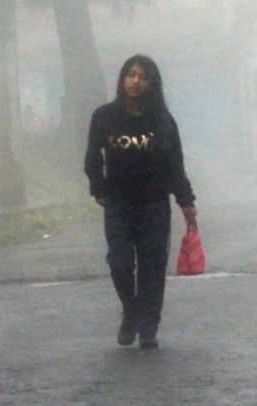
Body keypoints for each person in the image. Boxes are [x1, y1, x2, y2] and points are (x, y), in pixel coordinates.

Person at [84, 54, 197, 350]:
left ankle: (148, 327)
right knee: (119, 263)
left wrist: (186, 201)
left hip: (154, 205)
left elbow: (175, 165)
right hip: (118, 205)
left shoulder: (162, 121)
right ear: (122, 79)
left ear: (151, 84)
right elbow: (93, 156)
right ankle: (131, 310)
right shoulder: (104, 116)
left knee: (152, 267)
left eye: (142, 77)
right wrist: (98, 187)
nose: (135, 81)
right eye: (131, 74)